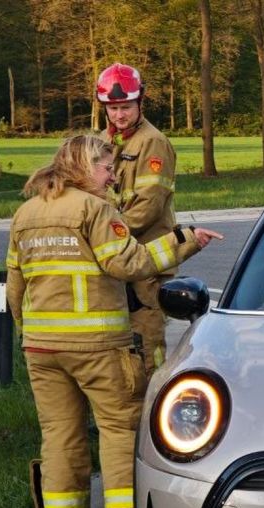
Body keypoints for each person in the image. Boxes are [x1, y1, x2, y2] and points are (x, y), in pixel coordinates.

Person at [4, 134, 222, 508]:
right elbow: (129, 262)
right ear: (84, 167)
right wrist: (186, 239)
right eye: (106, 168)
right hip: (99, 345)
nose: (112, 176)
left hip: (42, 349)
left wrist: (27, 333)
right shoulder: (95, 208)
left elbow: (15, 287)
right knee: (120, 428)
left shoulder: (26, 212)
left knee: (59, 433)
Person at [96, 63, 179, 379]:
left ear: (139, 103)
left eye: (126, 107)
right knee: (116, 335)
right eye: (113, 108)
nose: (119, 115)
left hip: (144, 253)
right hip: (117, 253)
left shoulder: (152, 142)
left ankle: (151, 399)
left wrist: (108, 236)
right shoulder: (104, 140)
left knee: (146, 336)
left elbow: (149, 206)